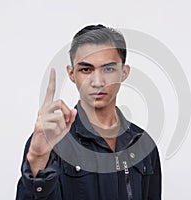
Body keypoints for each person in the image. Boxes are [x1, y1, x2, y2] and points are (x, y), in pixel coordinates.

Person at [16, 24, 161, 200]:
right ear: (72, 74)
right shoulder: (50, 139)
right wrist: (37, 158)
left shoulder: (143, 144)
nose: (98, 82)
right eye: (86, 69)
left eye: (108, 69)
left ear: (124, 72)